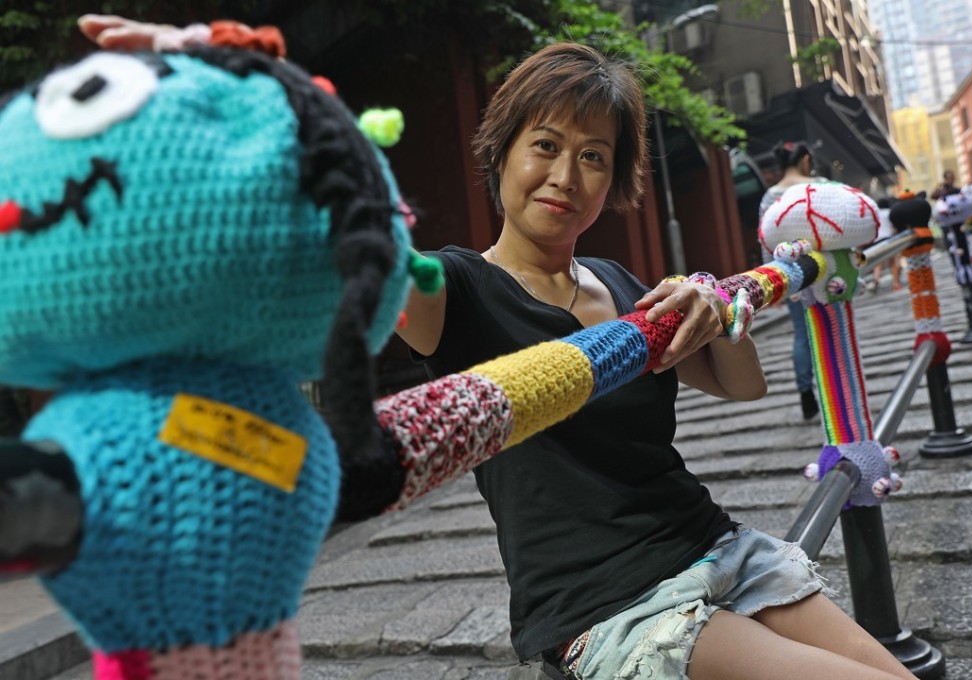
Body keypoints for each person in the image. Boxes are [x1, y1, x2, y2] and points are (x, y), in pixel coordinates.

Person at [81, 19, 914, 680]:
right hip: (610, 606)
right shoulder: (458, 290)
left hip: (718, 548)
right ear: (504, 154)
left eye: (593, 158)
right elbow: (369, 251)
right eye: (545, 146)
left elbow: (743, 388)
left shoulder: (623, 283)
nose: (565, 175)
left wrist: (714, 298)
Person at [758, 141, 819, 421]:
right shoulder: (818, 186)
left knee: (801, 336)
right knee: (831, 328)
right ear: (805, 159)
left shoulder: (770, 196)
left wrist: (773, 285)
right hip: (824, 268)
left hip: (792, 273)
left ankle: (806, 394)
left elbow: (766, 241)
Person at [868, 196, 903, 292]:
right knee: (893, 261)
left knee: (878, 262)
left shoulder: (875, 214)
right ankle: (895, 283)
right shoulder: (890, 212)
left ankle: (875, 280)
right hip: (889, 239)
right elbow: (895, 227)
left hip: (877, 241)